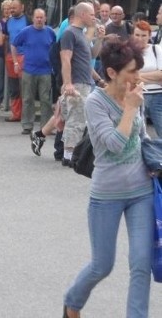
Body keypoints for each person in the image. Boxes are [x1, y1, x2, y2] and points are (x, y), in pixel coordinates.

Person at [62, 39, 154, 318]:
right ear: (112, 73)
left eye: (138, 70)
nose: (137, 77)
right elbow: (113, 144)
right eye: (131, 71)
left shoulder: (136, 94)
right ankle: (72, 302)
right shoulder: (95, 103)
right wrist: (129, 109)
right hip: (106, 195)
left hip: (141, 191)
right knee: (103, 265)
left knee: (141, 263)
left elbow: (140, 137)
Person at [59, 1, 99, 165]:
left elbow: (91, 56)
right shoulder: (70, 33)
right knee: (76, 119)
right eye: (91, 15)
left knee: (78, 118)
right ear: (82, 14)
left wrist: (100, 38)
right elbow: (65, 59)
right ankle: (69, 155)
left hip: (85, 81)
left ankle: (70, 153)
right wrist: (68, 83)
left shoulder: (81, 34)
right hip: (77, 82)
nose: (94, 18)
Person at [11, 8, 56, 135]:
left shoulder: (50, 32)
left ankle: (46, 126)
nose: (39, 20)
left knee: (45, 99)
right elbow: (13, 45)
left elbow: (56, 47)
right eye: (37, 17)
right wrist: (15, 62)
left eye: (42, 17)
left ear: (45, 18)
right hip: (29, 70)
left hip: (46, 70)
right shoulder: (26, 32)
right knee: (27, 98)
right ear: (33, 18)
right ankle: (27, 125)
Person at [4, 0, 30, 122]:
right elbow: (5, 37)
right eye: (11, 8)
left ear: (22, 7)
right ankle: (16, 114)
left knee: (24, 86)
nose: (12, 10)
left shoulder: (28, 20)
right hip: (10, 56)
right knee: (13, 86)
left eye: (15, 7)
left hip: (24, 56)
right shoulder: (8, 21)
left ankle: (26, 114)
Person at [133, 20, 162, 129]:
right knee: (139, 135)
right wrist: (154, 77)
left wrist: (139, 76)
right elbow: (129, 77)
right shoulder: (129, 52)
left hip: (158, 96)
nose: (140, 38)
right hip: (137, 96)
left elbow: (161, 74)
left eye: (143, 35)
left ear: (149, 36)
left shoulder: (156, 49)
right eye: (137, 35)